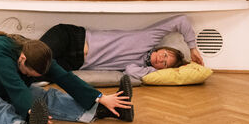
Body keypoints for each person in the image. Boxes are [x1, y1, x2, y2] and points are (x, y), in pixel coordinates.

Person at [0, 32, 134, 124]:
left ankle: (104, 110)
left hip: (4, 87)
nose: (30, 77)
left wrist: (100, 98)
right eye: (29, 74)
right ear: (22, 59)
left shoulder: (37, 54)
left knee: (45, 97)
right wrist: (31, 113)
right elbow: (15, 87)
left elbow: (65, 77)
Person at [39, 15, 204, 81]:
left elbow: (130, 71)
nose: (161, 59)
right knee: (36, 58)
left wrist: (155, 71)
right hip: (72, 38)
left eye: (165, 63)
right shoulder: (149, 38)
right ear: (163, 49)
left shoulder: (139, 67)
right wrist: (192, 48)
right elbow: (181, 21)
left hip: (74, 63)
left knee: (37, 75)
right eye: (165, 54)